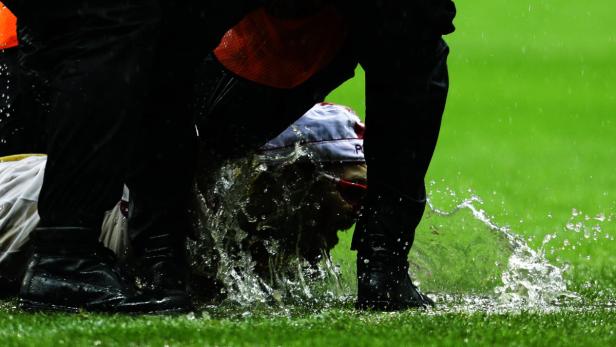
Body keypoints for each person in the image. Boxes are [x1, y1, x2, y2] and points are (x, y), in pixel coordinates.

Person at [196, 0, 456, 310]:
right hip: (173, 134)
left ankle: (384, 263)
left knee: (347, 171)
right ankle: (161, 250)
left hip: (249, 103)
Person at [0, 103, 367, 302]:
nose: (356, 213)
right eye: (352, 192)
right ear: (287, 180)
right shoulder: (191, 219)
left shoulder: (267, 222)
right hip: (19, 192)